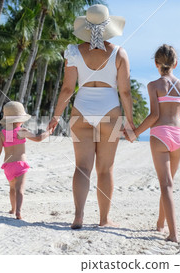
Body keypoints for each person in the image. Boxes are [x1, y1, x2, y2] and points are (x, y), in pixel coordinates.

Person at [47, 4, 135, 229]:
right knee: (105, 169)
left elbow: (67, 90)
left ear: (86, 26)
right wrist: (131, 122)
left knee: (81, 167)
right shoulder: (119, 53)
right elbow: (125, 91)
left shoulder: (73, 51)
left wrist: (56, 117)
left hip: (81, 111)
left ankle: (78, 216)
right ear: (108, 27)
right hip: (110, 112)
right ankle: (104, 219)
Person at [129, 44, 180, 242]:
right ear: (176, 63)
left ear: (156, 64)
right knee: (169, 184)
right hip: (178, 136)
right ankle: (160, 225)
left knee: (165, 185)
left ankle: (173, 234)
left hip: (160, 135)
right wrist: (174, 123)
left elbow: (154, 115)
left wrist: (135, 133)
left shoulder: (154, 86)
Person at [0, 101, 49, 220]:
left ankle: (12, 208)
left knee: (12, 188)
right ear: (20, 119)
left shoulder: (2, 134)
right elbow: (38, 138)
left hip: (8, 166)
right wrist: (48, 132)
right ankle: (18, 212)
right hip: (20, 165)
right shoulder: (22, 131)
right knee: (20, 189)